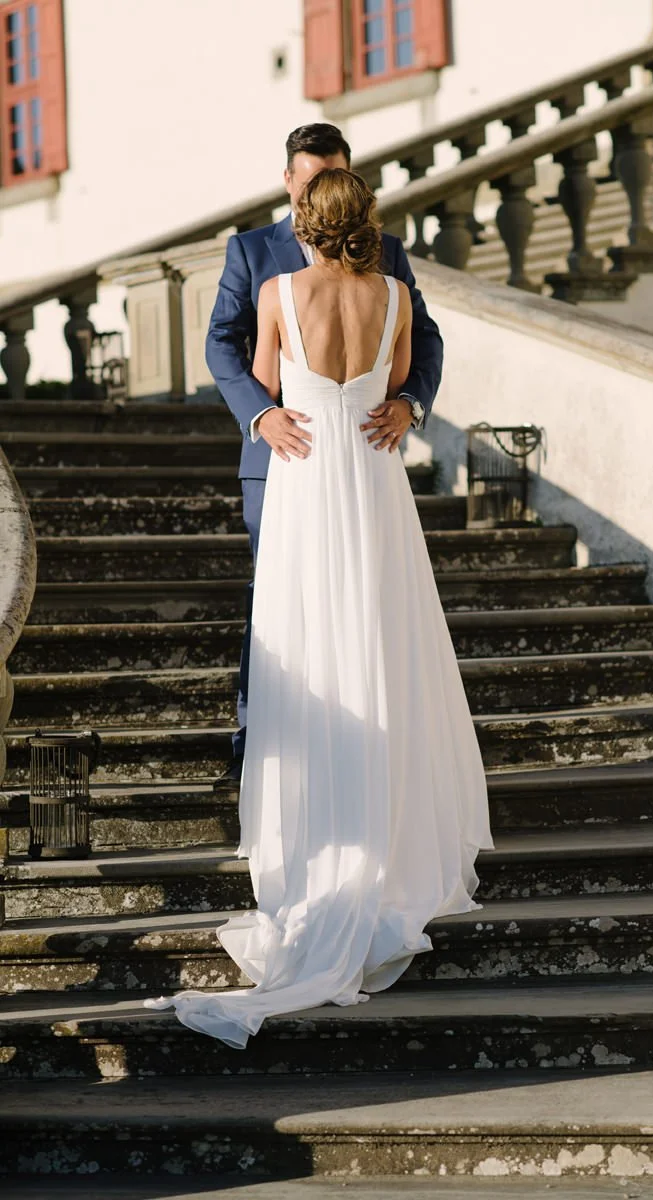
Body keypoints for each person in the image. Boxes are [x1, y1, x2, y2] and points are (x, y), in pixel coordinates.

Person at [145, 168, 493, 1046]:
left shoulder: (276, 290)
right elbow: (402, 385)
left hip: (304, 478)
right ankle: (395, 837)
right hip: (372, 479)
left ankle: (317, 843)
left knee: (311, 646)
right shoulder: (398, 299)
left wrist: (285, 408)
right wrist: (387, 403)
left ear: (303, 220)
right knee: (382, 646)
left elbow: (267, 378)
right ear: (368, 221)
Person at [206, 123, 443, 791]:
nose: (317, 189)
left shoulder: (384, 259)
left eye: (330, 177)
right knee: (280, 605)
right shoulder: (251, 251)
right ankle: (260, 747)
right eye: (309, 178)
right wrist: (260, 411)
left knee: (362, 606)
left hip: (351, 449)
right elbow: (221, 343)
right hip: (285, 453)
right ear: (289, 180)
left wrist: (411, 405)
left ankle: (356, 765)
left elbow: (427, 344)